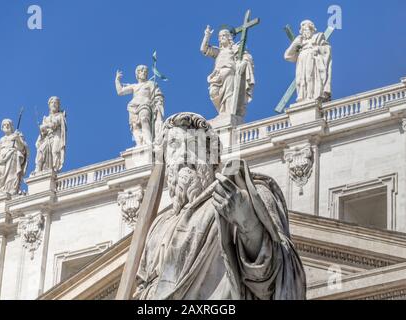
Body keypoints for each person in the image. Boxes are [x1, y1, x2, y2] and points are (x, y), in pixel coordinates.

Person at [135, 112, 306, 300]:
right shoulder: (158, 225)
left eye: (193, 145)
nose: (184, 153)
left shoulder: (241, 193)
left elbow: (279, 273)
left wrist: (247, 221)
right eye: (174, 145)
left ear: (212, 157)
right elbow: (143, 287)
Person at [201, 26, 255, 116]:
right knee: (213, 92)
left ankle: (227, 114)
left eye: (223, 36)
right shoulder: (218, 51)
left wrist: (244, 63)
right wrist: (207, 36)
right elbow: (204, 49)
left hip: (229, 73)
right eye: (219, 36)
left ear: (229, 37)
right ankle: (223, 113)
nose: (221, 38)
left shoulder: (234, 48)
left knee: (229, 95)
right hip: (217, 76)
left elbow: (247, 57)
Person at [115, 65, 164, 146]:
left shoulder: (151, 84)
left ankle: (148, 141)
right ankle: (139, 144)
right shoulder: (134, 86)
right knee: (135, 125)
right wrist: (117, 80)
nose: (143, 73)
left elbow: (158, 95)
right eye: (141, 71)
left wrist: (157, 103)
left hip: (145, 104)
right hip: (133, 106)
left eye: (145, 72)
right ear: (137, 74)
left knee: (144, 119)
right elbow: (120, 91)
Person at [285, 20, 332, 102]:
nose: (305, 32)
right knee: (299, 79)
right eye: (303, 30)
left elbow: (326, 50)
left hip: (312, 57)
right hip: (301, 59)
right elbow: (287, 56)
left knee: (309, 77)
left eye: (306, 29)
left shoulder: (318, 37)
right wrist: (295, 43)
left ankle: (310, 96)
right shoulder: (300, 42)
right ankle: (301, 96)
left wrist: (317, 49)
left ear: (312, 30)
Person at [0, 119, 29, 195]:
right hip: (1, 159)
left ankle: (9, 190)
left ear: (11, 126)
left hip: (12, 157)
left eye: (8, 124)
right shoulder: (1, 139)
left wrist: (17, 139)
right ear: (2, 127)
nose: (6, 126)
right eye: (4, 125)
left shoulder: (17, 135)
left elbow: (23, 148)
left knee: (10, 176)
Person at [34, 96, 67, 173]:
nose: (54, 104)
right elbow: (43, 131)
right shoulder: (46, 118)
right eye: (52, 102)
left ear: (58, 106)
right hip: (47, 137)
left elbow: (54, 124)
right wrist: (42, 130)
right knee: (41, 150)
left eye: (56, 103)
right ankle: (38, 169)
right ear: (49, 105)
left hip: (56, 136)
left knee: (55, 151)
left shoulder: (60, 115)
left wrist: (44, 126)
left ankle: (55, 169)